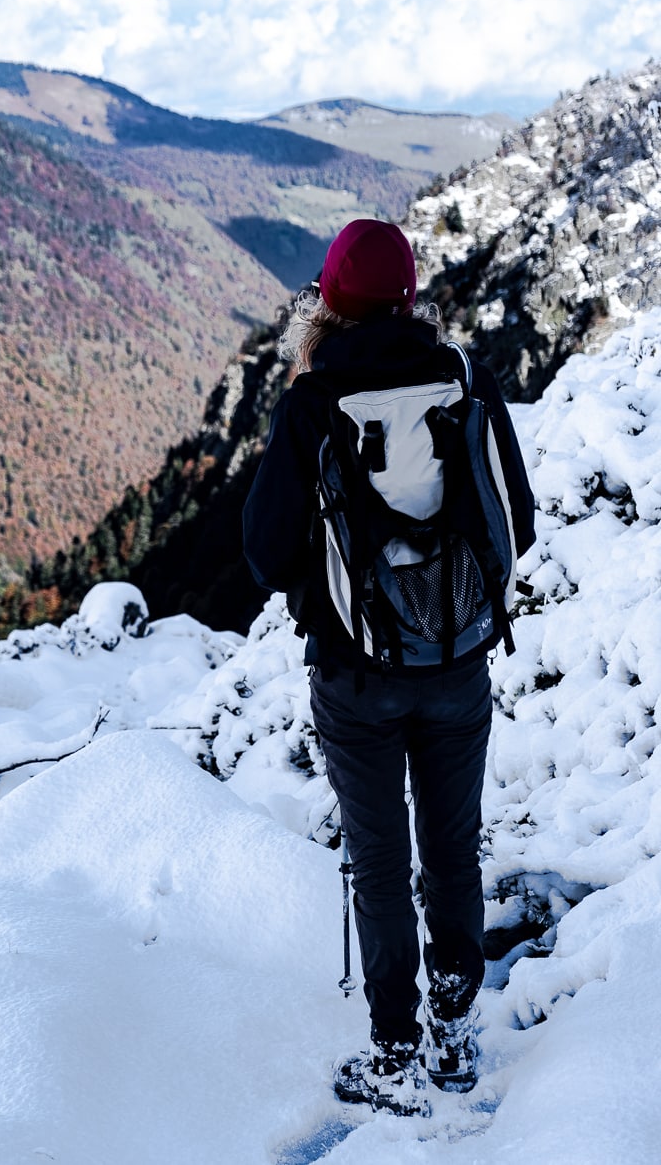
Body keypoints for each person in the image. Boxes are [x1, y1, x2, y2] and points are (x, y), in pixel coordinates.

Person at [243, 219, 535, 1117]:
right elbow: (513, 520)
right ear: (410, 295)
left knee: (379, 859)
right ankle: (454, 1030)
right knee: (452, 849)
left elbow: (265, 553)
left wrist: (338, 586)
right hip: (456, 664)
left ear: (327, 299)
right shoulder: (464, 379)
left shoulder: (312, 401)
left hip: (354, 676)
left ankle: (394, 1047)